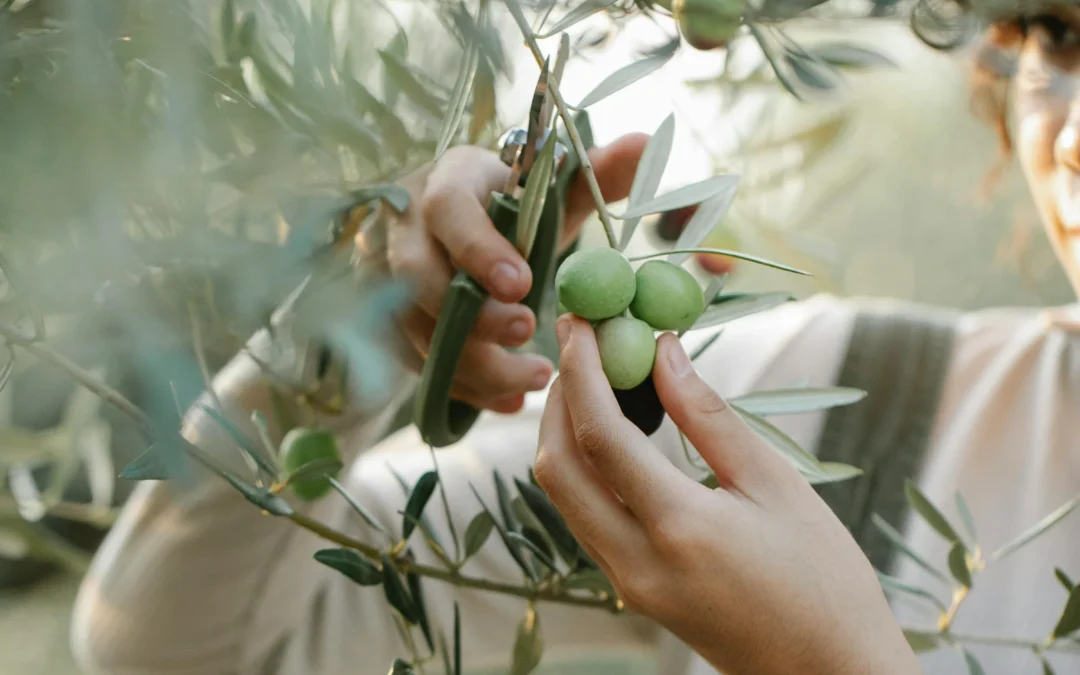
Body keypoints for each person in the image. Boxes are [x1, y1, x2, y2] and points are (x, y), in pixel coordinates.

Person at [71, 9, 1080, 675]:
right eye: (1060, 36)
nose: (1070, 131)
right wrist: (354, 336)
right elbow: (163, 651)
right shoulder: (833, 402)